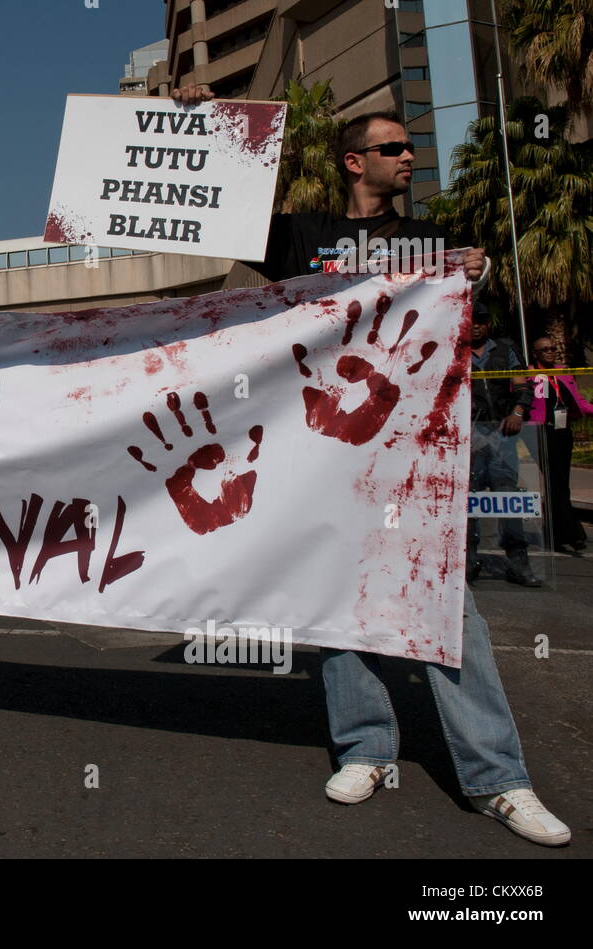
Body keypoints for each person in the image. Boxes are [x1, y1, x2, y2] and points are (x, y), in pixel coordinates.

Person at [168, 84, 570, 846]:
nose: (409, 156)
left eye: (410, 147)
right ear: (355, 162)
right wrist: (203, 115)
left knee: (445, 603)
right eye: (392, 147)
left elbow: (460, 307)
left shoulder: (432, 235)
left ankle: (498, 776)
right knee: (337, 593)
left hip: (413, 454)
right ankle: (367, 749)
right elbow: (216, 203)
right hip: (318, 451)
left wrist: (474, 273)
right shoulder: (300, 235)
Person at [467, 303, 539, 586]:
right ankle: (469, 561)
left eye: (481, 321)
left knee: (508, 499)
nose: (476, 325)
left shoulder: (504, 349)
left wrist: (517, 412)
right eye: (471, 321)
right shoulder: (454, 352)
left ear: (488, 325)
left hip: (501, 437)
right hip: (470, 439)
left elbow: (522, 386)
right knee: (469, 501)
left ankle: (518, 561)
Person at [528, 337, 593, 553]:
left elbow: (579, 402)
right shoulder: (528, 373)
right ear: (535, 353)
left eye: (553, 348)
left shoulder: (564, 372)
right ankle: (573, 533)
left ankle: (558, 532)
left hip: (562, 431)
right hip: (539, 431)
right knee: (555, 480)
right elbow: (518, 398)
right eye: (544, 349)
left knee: (560, 482)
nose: (549, 352)